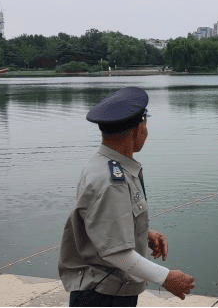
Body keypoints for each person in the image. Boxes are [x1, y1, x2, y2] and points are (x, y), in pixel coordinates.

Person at [58, 86, 195, 307]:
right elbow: (117, 254)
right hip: (102, 296)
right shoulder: (113, 182)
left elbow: (102, 224)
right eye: (145, 124)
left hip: (106, 292)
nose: (147, 132)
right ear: (138, 128)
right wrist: (166, 277)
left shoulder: (101, 164)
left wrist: (141, 232)